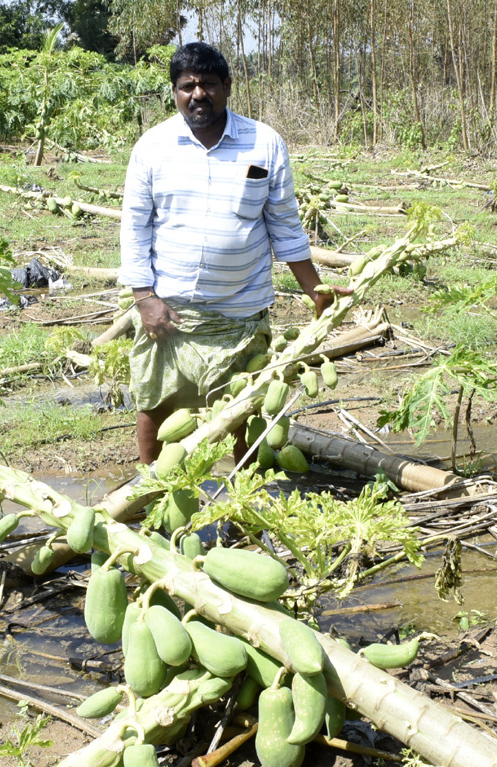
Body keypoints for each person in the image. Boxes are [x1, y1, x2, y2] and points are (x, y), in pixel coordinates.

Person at [119, 41, 350, 466]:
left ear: (227, 86)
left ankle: (242, 492)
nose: (198, 94)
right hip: (170, 313)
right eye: (187, 85)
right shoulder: (152, 148)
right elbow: (135, 228)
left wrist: (314, 287)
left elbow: (284, 223)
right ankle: (147, 489)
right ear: (174, 92)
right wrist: (144, 299)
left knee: (244, 407)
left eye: (208, 84)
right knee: (156, 401)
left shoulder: (263, 143)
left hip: (241, 311)